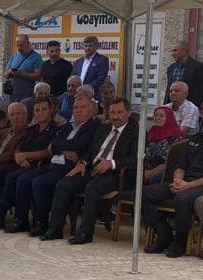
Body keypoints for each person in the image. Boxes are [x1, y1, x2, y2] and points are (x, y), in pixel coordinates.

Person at [142, 100, 203, 258]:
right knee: (144, 193)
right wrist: (178, 180)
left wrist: (189, 185)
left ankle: (180, 242)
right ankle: (163, 234)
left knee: (183, 199)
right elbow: (181, 165)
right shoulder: (195, 139)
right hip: (184, 181)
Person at [43, 97, 138, 244]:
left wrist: (111, 163)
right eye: (112, 112)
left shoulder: (136, 132)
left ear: (129, 113)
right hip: (93, 169)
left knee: (93, 188)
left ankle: (85, 233)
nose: (115, 116)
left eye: (120, 112)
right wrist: (83, 162)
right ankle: (55, 229)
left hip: (116, 173)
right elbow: (91, 150)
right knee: (64, 184)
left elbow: (136, 159)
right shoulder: (104, 128)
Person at [24, 94, 100, 237]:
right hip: (54, 163)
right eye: (76, 108)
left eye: (83, 107)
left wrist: (59, 146)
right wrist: (64, 150)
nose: (78, 111)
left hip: (71, 167)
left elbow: (80, 144)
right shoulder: (67, 126)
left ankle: (44, 224)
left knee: (40, 182)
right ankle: (33, 221)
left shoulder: (94, 126)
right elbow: (52, 145)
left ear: (91, 110)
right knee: (27, 178)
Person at [0, 97, 59, 231]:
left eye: (44, 109)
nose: (40, 113)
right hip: (24, 164)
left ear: (51, 110)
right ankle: (0, 215)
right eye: (37, 110)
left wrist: (26, 155)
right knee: (8, 176)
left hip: (43, 165)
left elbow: (49, 152)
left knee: (19, 178)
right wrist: (20, 157)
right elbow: (20, 148)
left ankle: (19, 219)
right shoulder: (32, 129)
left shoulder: (56, 129)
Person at [142, 105, 185, 184]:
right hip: (146, 165)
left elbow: (171, 161)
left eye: (162, 116)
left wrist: (151, 172)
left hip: (166, 169)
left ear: (169, 118)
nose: (157, 118)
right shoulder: (150, 132)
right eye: (156, 115)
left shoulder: (176, 136)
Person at [164, 41, 203, 106]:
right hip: (172, 106)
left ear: (184, 50)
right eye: (171, 51)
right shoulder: (171, 68)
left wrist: (195, 105)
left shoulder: (198, 67)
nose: (172, 54)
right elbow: (169, 89)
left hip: (190, 106)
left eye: (175, 50)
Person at [4, 34, 43, 102]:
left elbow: (38, 76)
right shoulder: (14, 56)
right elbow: (5, 74)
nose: (19, 48)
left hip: (28, 94)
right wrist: (10, 72)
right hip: (13, 93)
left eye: (22, 46)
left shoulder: (36, 57)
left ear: (28, 44)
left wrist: (23, 74)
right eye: (17, 45)